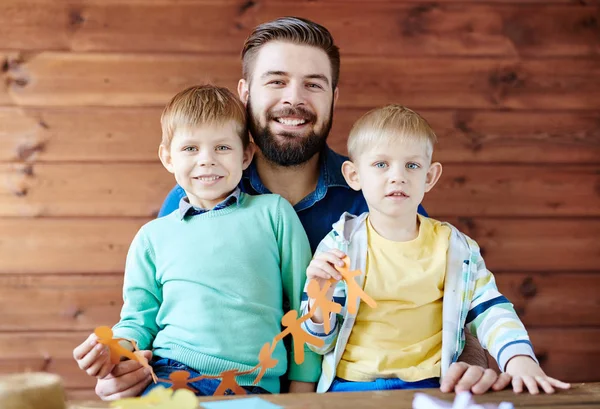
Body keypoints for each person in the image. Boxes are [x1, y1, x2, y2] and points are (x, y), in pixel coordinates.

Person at [94, 17, 504, 400]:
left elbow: (458, 302)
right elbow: (150, 318)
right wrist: (123, 370)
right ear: (245, 92)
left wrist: (471, 361)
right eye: (276, 82)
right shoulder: (191, 204)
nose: (294, 99)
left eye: (313, 84)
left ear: (333, 98)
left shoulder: (379, 194)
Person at [300, 105, 571, 395]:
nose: (397, 176)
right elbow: (318, 343)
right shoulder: (339, 244)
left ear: (430, 177)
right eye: (381, 164)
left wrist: (520, 361)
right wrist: (320, 301)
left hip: (432, 387)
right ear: (354, 176)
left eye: (412, 166)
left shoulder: (455, 249)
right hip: (351, 388)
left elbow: (490, 310)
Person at [73, 85, 319, 396]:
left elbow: (306, 304)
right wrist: (113, 349)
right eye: (190, 149)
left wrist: (303, 385)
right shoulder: (153, 237)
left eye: (222, 148)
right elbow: (138, 321)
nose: (207, 160)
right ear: (168, 158)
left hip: (250, 387)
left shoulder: (274, 214)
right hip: (169, 376)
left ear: (245, 155)